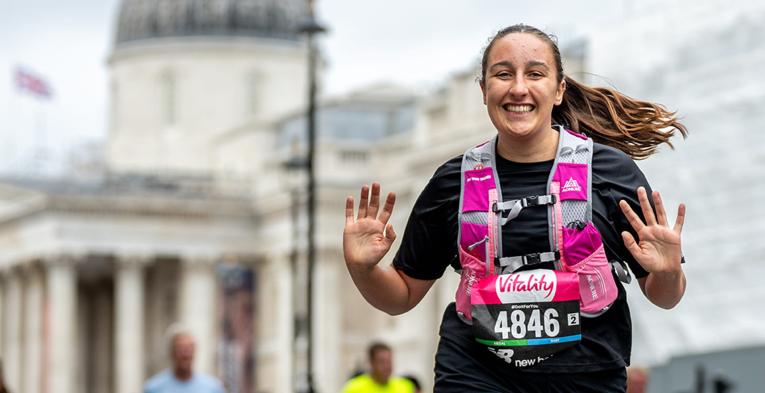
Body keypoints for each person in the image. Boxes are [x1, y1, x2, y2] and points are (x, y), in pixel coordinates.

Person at [343, 24, 687, 393]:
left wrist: (667, 272)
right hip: (475, 374)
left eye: (535, 74)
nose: (518, 88)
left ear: (558, 90)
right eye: (503, 74)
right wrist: (362, 269)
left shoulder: (609, 172)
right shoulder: (452, 181)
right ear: (484, 90)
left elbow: (664, 295)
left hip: (586, 376)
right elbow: (402, 295)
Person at [144, 329, 226, 393]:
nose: (185, 355)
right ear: (171, 353)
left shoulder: (213, 388)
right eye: (180, 349)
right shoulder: (154, 388)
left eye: (189, 349)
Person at [341, 342, 415, 393]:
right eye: (382, 362)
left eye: (389, 362)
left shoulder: (405, 387)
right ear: (371, 363)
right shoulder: (354, 388)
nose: (387, 367)